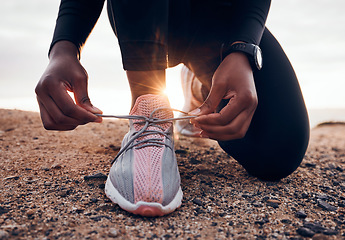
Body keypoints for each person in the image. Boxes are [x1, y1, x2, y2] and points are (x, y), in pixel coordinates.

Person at [35, 0, 310, 217]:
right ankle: (149, 111)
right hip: (143, 14)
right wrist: (64, 46)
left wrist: (243, 49)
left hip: (218, 16)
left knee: (278, 151)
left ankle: (200, 87)